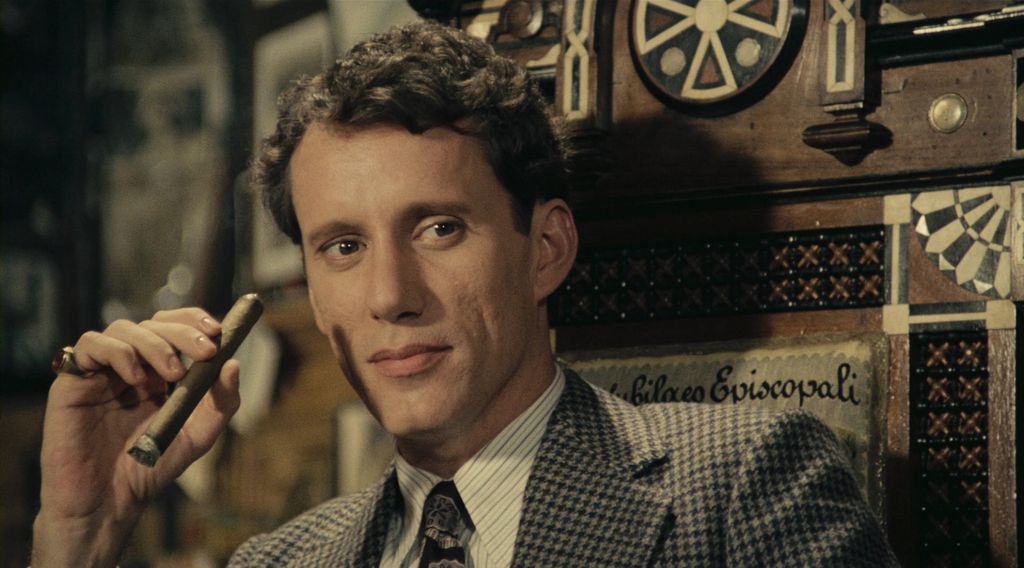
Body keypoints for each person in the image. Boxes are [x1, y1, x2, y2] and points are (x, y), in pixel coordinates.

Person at [33, 21, 898, 567]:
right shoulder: (280, 562)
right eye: (343, 247)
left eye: (439, 228)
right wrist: (80, 533)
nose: (390, 296)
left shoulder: (745, 488)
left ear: (546, 250)